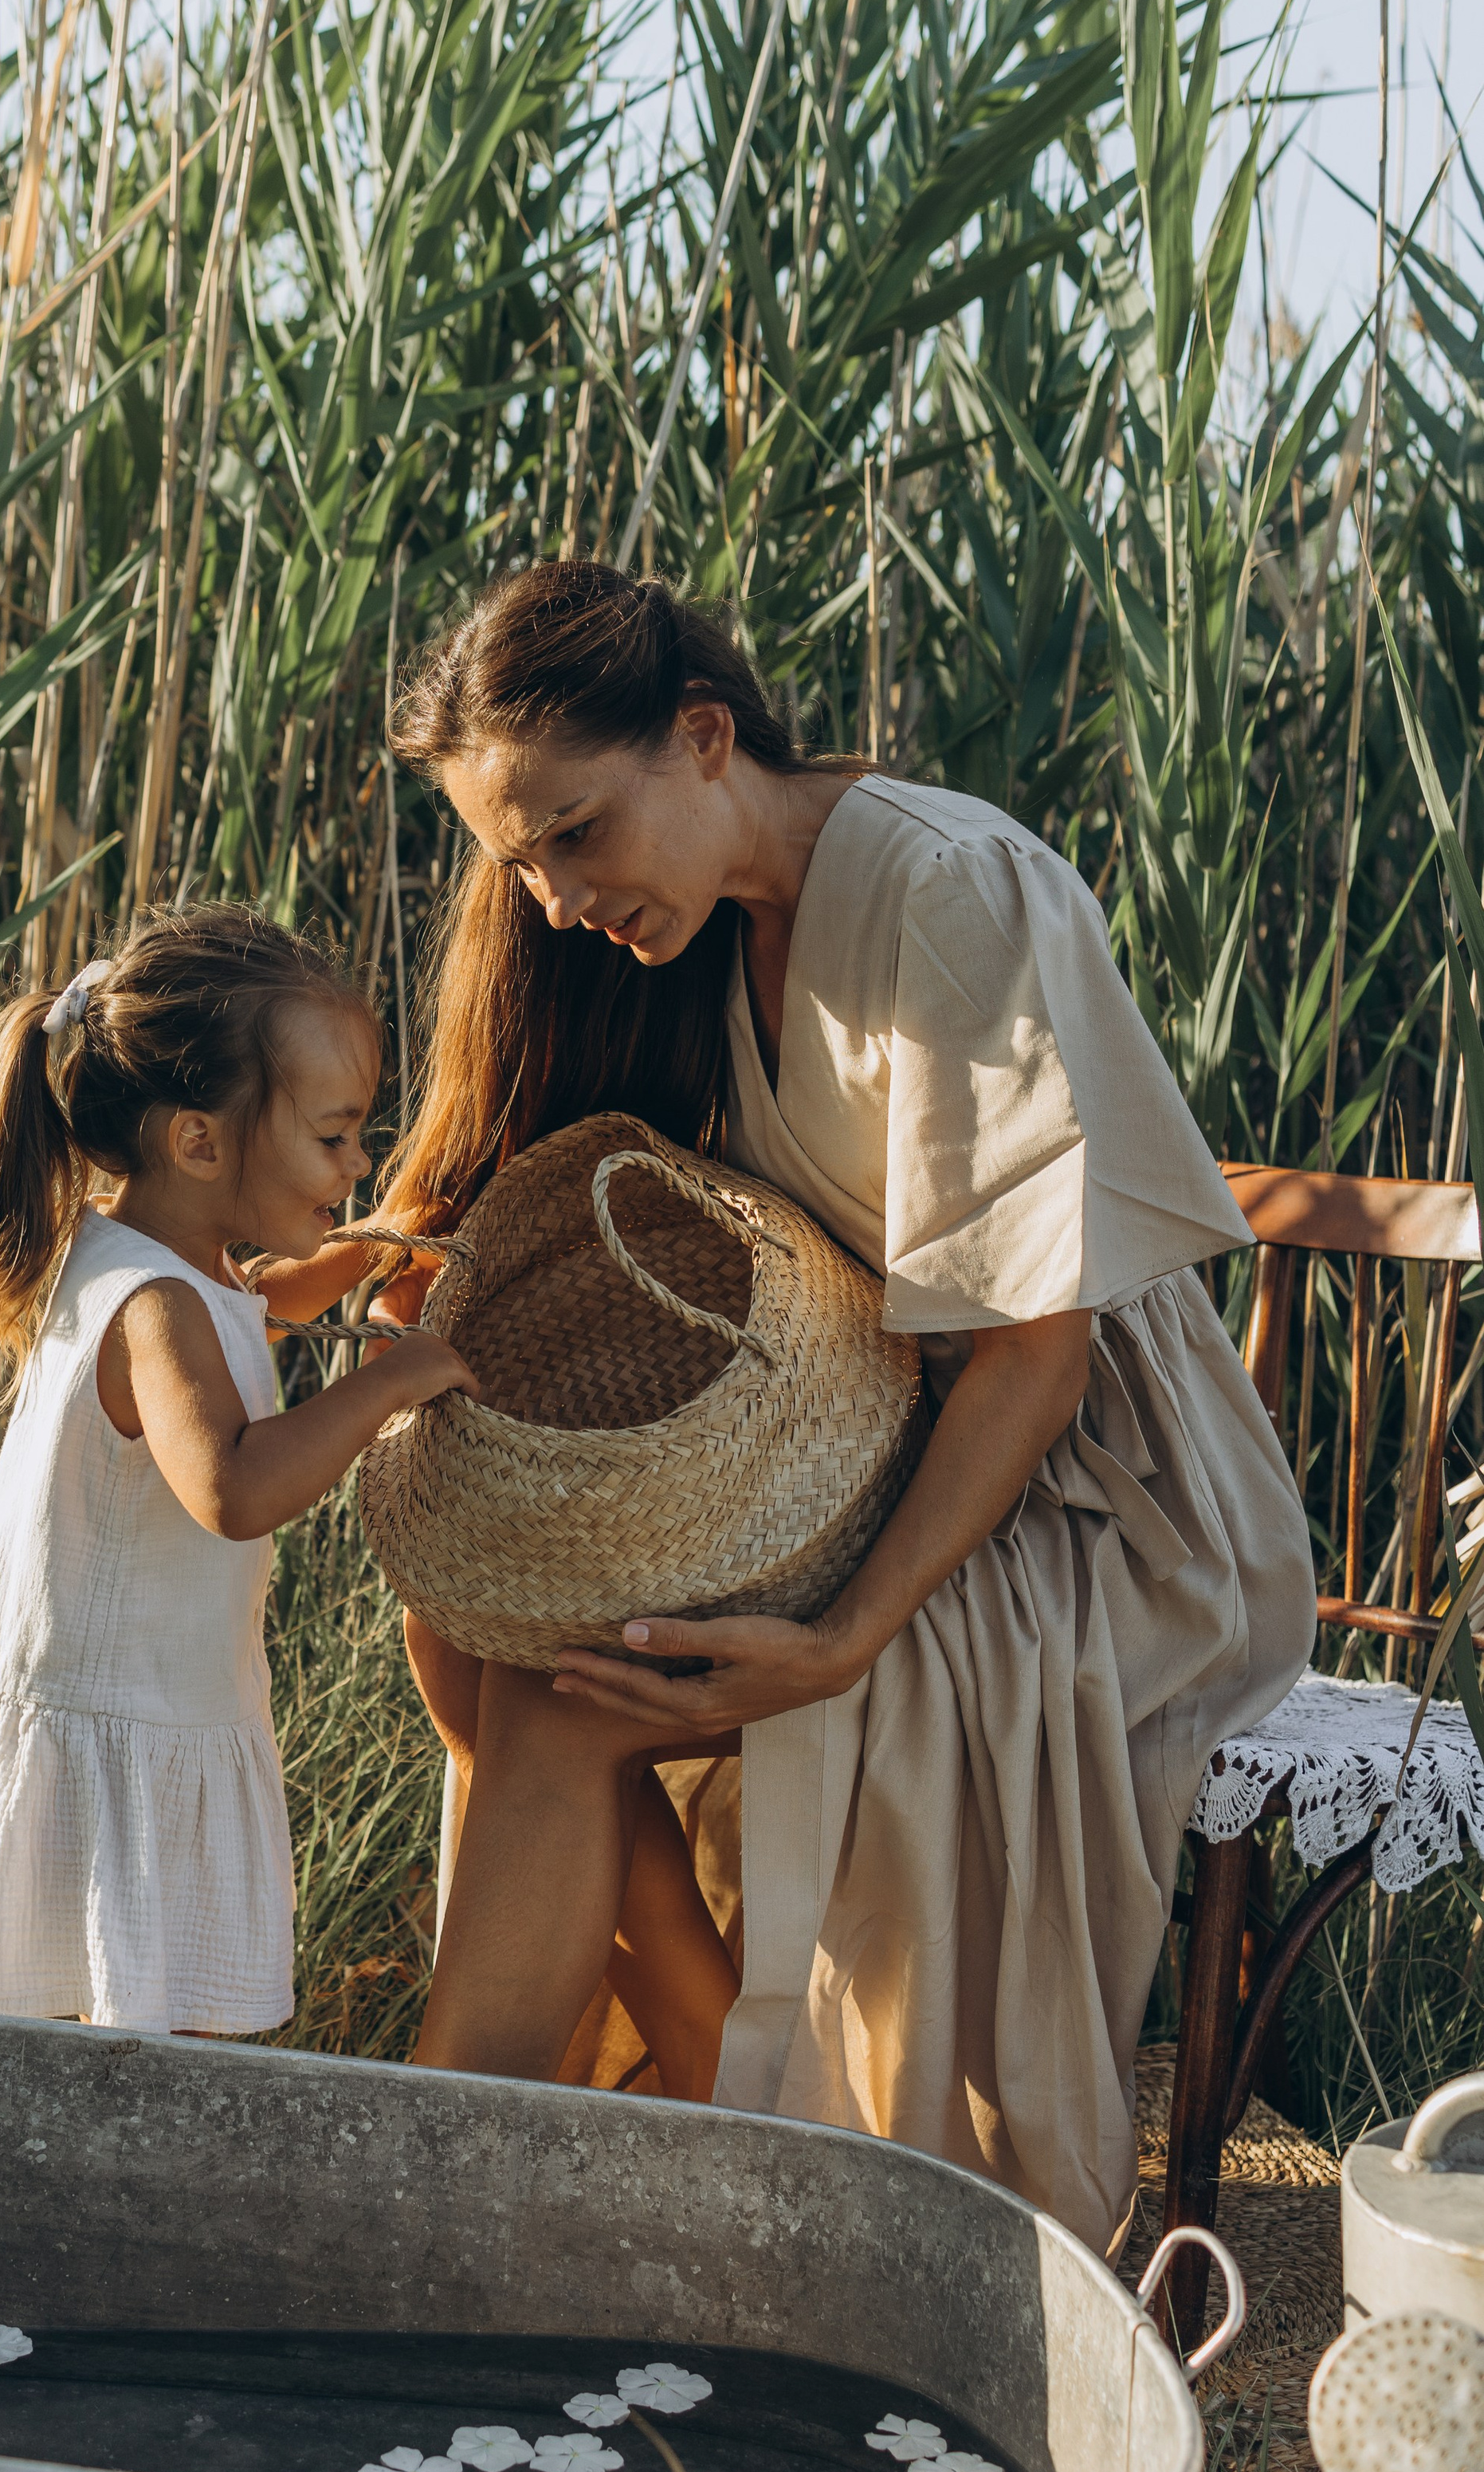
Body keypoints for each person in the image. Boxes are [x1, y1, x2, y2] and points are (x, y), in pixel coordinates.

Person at [337, 559, 1314, 2252]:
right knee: (478, 1638)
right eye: (518, 859)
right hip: (862, 1449)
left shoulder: (948, 894)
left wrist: (849, 1637)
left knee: (569, 1706)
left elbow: (1032, 1352)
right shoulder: (692, 930)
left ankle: (431, 2212)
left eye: (574, 832)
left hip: (1085, 1496)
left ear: (703, 737)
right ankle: (730, 2136)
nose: (555, 896)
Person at [0, 904, 475, 2034]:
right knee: (122, 2026)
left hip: (108, 1706)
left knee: (91, 2023)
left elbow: (250, 1309)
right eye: (332, 1138)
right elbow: (230, 1484)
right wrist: (384, 1382)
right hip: (119, 1729)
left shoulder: (138, 1251)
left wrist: (365, 1245)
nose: (355, 1160)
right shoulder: (155, 1306)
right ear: (200, 1143)